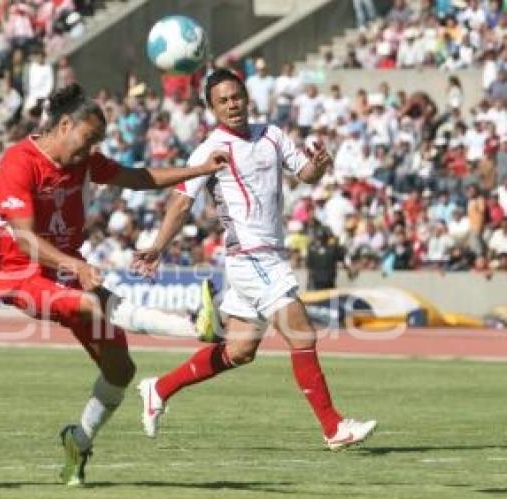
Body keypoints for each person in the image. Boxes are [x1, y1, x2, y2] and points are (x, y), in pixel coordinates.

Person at [0, 83, 227, 486]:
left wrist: (201, 170)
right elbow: (25, 239)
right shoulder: (18, 163)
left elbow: (138, 177)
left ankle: (78, 442)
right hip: (22, 274)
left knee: (121, 368)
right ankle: (192, 324)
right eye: (88, 138)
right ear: (64, 125)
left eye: (98, 141)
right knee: (89, 304)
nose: (91, 149)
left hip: (66, 272)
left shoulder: (82, 162)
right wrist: (74, 267)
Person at [133, 69, 377, 451]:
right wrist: (158, 246)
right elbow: (182, 202)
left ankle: (158, 388)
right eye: (223, 100)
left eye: (236, 97)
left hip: (269, 254)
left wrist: (319, 165)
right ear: (212, 108)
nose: (232, 104)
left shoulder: (272, 134)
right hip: (249, 256)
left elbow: (306, 174)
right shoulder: (211, 149)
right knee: (302, 331)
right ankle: (333, 427)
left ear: (247, 98)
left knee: (239, 351)